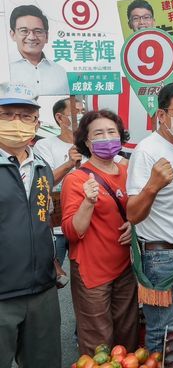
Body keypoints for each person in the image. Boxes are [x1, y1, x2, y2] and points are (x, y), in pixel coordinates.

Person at [126, 82, 173, 352]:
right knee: (162, 332)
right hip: (159, 256)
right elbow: (132, 213)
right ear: (161, 115)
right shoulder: (147, 150)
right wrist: (153, 185)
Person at [60, 110, 138, 355]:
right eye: (99, 133)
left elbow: (139, 210)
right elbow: (73, 232)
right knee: (99, 342)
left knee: (128, 335)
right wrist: (88, 202)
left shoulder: (129, 172)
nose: (107, 138)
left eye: (111, 132)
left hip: (125, 267)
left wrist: (134, 225)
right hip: (92, 272)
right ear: (87, 141)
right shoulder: (76, 180)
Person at [0, 84, 60, 368]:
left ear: (36, 122)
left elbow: (44, 218)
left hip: (41, 291)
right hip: (2, 295)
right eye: (7, 114)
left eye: (25, 116)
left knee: (44, 362)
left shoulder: (42, 167)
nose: (16, 123)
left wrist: (51, 260)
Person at [34, 98, 85, 267]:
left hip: (84, 222)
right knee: (51, 274)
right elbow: (44, 181)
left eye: (83, 111)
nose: (81, 116)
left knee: (86, 279)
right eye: (76, 112)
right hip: (55, 224)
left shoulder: (92, 146)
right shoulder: (44, 145)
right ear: (60, 118)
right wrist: (70, 163)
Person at [9, 5, 69, 96]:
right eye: (24, 31)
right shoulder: (5, 69)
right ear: (13, 34)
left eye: (38, 31)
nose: (32, 37)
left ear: (47, 37)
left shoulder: (60, 71)